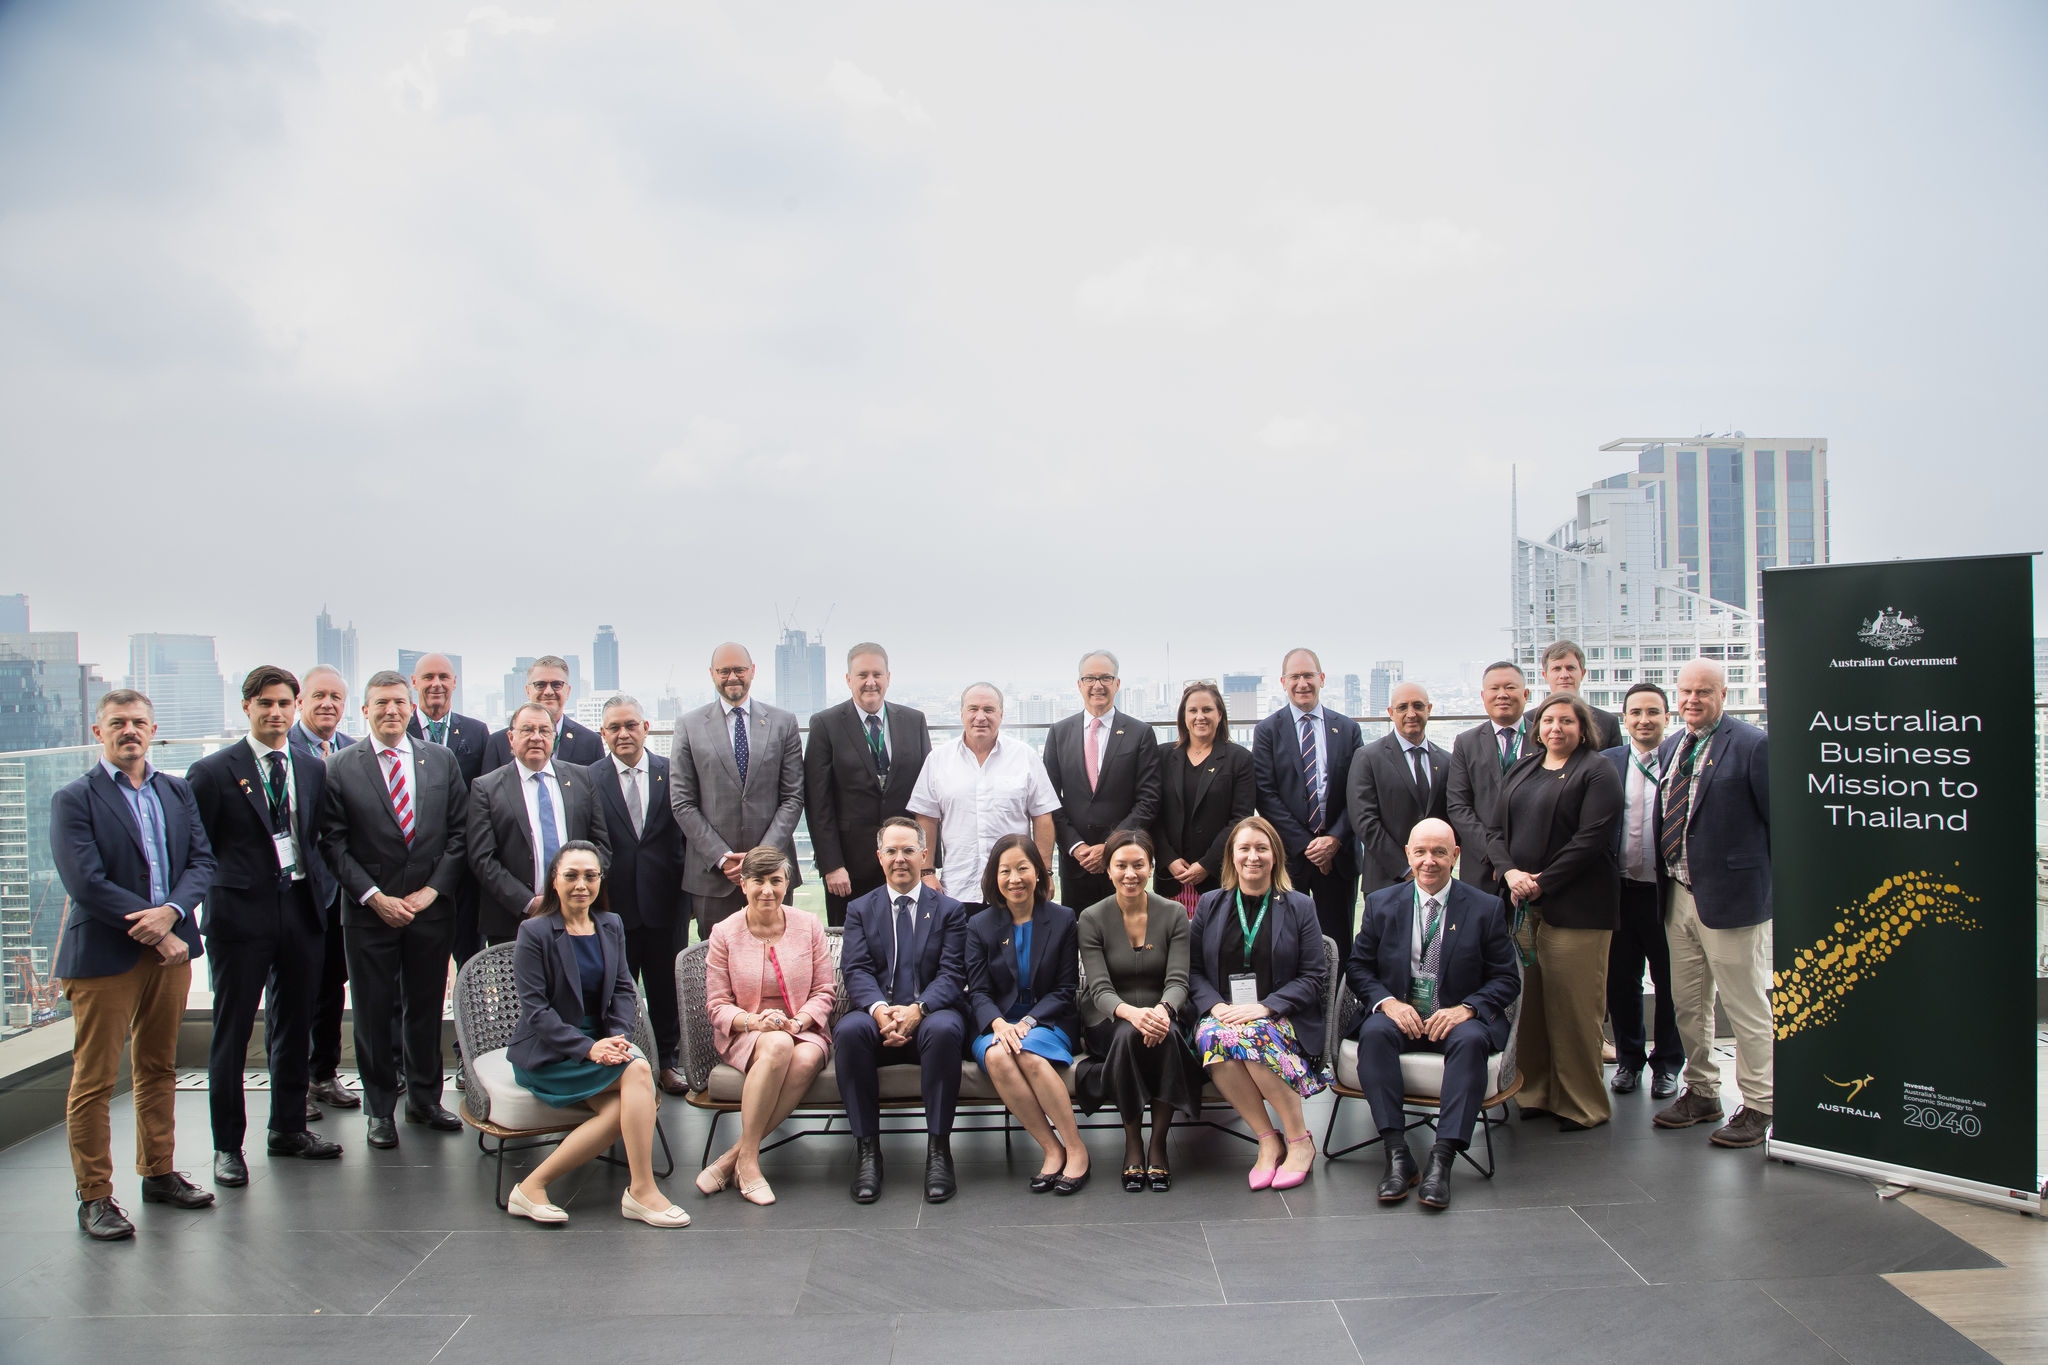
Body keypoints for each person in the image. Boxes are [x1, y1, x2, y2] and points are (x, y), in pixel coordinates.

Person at [51, 690, 219, 1239]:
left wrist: (171, 914)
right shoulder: (74, 798)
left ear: (153, 730)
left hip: (170, 951)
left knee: (158, 1067)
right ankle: (94, 1196)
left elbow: (201, 861)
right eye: (118, 722)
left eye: (139, 722)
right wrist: (150, 926)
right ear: (97, 730)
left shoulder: (176, 791)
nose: (130, 731)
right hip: (104, 955)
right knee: (94, 1080)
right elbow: (85, 882)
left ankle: (159, 1172)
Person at [185, 666, 343, 1188]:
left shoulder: (311, 766)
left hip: (300, 907)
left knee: (294, 1024)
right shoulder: (212, 772)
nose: (275, 712)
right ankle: (227, 1146)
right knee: (231, 1033)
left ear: (295, 707)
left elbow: (315, 838)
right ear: (247, 708)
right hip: (239, 915)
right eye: (264, 704)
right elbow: (197, 851)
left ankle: (288, 1128)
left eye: (283, 703)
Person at [318, 670, 470, 1149]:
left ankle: (425, 1100)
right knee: (372, 1011)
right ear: (364, 710)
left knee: (426, 1008)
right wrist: (374, 897)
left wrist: (432, 891)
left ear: (411, 708)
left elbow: (460, 832)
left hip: (429, 910)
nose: (391, 711)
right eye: (381, 703)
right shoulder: (341, 766)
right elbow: (332, 842)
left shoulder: (440, 760)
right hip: (368, 913)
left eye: (399, 703)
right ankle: (379, 1109)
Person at [504, 842, 689, 1227]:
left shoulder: (610, 924)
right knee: (639, 1071)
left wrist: (618, 1037)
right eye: (571, 875)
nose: (581, 885)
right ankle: (641, 1190)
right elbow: (536, 1012)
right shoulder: (534, 931)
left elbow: (624, 988)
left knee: (623, 1100)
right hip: (551, 1050)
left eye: (590, 875)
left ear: (600, 880)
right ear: (554, 881)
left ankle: (532, 1186)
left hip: (603, 1041)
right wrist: (590, 1049)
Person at [1347, 818, 1520, 1210]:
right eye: (1420, 851)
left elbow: (1507, 979)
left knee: (1473, 1039)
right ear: (1408, 854)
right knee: (1374, 1034)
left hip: (1456, 1017)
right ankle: (1397, 1155)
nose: (1429, 861)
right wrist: (1387, 1003)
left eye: (1439, 852)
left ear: (1455, 856)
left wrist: (1468, 1009)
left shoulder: (1485, 908)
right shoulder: (1380, 903)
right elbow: (1358, 967)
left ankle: (1442, 1158)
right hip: (1400, 1014)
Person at [1651, 659, 1774, 1149]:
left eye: (1703, 691)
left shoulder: (1752, 745)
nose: (1692, 700)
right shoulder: (1671, 747)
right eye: (1685, 692)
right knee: (1688, 1004)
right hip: (1679, 894)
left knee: (1745, 1007)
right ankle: (1702, 1091)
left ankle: (1762, 1103)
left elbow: (1777, 824)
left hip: (1734, 900)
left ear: (1724, 694)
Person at [1495, 691, 1623, 1132]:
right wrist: (1511, 874)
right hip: (1523, 904)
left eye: (1566, 721)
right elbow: (1495, 830)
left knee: (1574, 1009)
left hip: (1578, 910)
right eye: (1548, 720)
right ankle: (1535, 1091)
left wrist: (1539, 883)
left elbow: (1590, 841)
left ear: (1583, 728)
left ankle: (1581, 1103)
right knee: (1530, 1006)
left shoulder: (1598, 771)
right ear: (1537, 727)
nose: (1556, 728)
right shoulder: (1525, 766)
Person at [833, 816, 970, 1203]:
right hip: (879, 1015)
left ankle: (939, 1151)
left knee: (945, 1029)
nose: (900, 859)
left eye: (908, 850)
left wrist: (917, 1010)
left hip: (930, 1014)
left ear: (924, 855)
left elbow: (952, 973)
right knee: (848, 1031)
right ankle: (867, 1151)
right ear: (879, 857)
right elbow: (856, 969)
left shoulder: (950, 911)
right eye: (891, 851)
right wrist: (879, 1011)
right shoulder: (861, 908)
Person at [1190, 815, 1329, 1192]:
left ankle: (1299, 1140)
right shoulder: (1209, 904)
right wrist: (1214, 1006)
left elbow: (1314, 976)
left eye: (1261, 848)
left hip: (1283, 1016)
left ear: (1275, 856)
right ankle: (1268, 1139)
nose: (1253, 857)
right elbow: (1193, 970)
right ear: (1231, 857)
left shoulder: (1299, 906)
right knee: (1213, 1036)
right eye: (1245, 848)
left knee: (1251, 1036)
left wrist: (1266, 1006)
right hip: (1224, 1015)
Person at [698, 847, 835, 1205]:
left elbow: (824, 991)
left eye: (776, 881)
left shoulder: (808, 926)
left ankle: (737, 1157)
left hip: (802, 1027)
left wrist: (799, 1020)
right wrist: (754, 1021)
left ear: (787, 883)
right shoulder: (724, 933)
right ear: (743, 885)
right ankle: (747, 1162)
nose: (767, 890)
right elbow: (717, 1006)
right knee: (777, 1045)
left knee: (804, 1057)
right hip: (747, 1032)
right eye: (758, 881)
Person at [1076, 828, 1199, 1192]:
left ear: (1151, 867)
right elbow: (1098, 988)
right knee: (1131, 1034)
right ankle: (1133, 1141)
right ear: (1108, 870)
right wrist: (1132, 1013)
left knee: (1169, 1036)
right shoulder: (1091, 917)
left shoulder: (1175, 913)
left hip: (1163, 1012)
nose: (1130, 874)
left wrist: (1162, 1011)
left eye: (1139, 865)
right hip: (1109, 1017)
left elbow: (1178, 980)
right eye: (1121, 866)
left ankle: (1158, 1143)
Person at [965, 835, 1086, 1194]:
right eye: (1005, 871)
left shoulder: (1063, 919)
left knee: (1030, 1054)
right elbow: (979, 991)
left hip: (1048, 1019)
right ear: (994, 877)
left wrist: (1028, 1023)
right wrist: (1000, 1024)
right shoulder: (979, 925)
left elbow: (1065, 989)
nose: (1014, 878)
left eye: (1023, 868)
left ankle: (1077, 1149)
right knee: (998, 1055)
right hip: (997, 1022)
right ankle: (1051, 1149)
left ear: (1038, 873)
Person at [585, 695, 690, 1094]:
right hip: (612, 907)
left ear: (646, 727)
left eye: (631, 725)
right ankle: (621, 1066)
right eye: (614, 727)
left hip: (667, 902)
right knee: (613, 991)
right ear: (603, 734)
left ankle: (668, 1063)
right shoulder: (587, 778)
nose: (623, 733)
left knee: (666, 989)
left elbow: (687, 834)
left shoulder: (674, 771)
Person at [669, 642, 805, 936]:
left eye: (739, 670)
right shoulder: (689, 725)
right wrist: (721, 856)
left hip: (772, 872)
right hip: (714, 875)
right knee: (718, 967)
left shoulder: (783, 723)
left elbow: (793, 797)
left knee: (777, 959)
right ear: (712, 674)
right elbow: (682, 802)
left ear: (752, 671)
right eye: (724, 671)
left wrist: (760, 857)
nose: (733, 677)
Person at [803, 642, 931, 927]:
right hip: (848, 869)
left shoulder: (913, 721)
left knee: (910, 941)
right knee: (854, 947)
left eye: (877, 674)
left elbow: (927, 798)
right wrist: (832, 865)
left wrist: (928, 864)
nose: (870, 682)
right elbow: (817, 803)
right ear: (849, 679)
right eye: (862, 675)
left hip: (905, 862)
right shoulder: (826, 724)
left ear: (888, 677)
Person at [468, 702, 612, 946]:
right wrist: (528, 902)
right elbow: (482, 858)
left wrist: (580, 890)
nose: (536, 737)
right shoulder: (487, 787)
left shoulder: (582, 778)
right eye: (527, 730)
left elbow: (601, 846)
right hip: (514, 920)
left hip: (579, 915)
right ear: (511, 738)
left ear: (554, 738)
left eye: (544, 731)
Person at [1251, 648, 1364, 946]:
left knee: (1339, 942)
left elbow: (1359, 792)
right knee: (1287, 942)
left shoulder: (1348, 729)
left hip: (1339, 857)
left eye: (1309, 675)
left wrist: (1334, 840)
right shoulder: (1267, 731)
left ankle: (1338, 996)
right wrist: (1309, 846)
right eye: (1295, 676)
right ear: (1283, 682)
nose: (1302, 683)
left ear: (1322, 679)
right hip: (1291, 858)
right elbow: (1265, 795)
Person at [1605, 681, 1685, 1099]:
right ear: (1625, 719)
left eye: (1653, 712)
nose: (1644, 720)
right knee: (1621, 981)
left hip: (1666, 893)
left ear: (1667, 719)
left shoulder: (1681, 760)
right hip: (1619, 891)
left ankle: (1668, 1065)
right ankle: (1629, 1061)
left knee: (1671, 982)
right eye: (1635, 712)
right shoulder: (1608, 763)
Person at [906, 682, 1057, 902]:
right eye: (973, 709)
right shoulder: (938, 759)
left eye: (988, 710)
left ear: (1001, 715)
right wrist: (926, 872)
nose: (980, 717)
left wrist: (1045, 872)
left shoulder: (1024, 756)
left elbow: (1043, 816)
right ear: (961, 714)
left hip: (1015, 888)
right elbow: (926, 818)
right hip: (958, 888)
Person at [1041, 650, 1162, 910]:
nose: (1098, 685)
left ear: (1117, 683)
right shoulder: (1059, 733)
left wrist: (1110, 846)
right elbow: (1048, 799)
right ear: (1079, 685)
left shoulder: (1140, 733)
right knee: (1076, 937)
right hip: (1076, 862)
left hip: (1123, 862)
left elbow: (1149, 799)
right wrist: (1075, 845)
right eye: (1090, 678)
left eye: (1106, 678)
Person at [291, 664, 360, 1114]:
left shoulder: (353, 751)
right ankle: (291, 1084)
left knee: (332, 986)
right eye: (319, 696)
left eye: (336, 697)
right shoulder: (286, 749)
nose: (327, 705)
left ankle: (322, 1073)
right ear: (301, 701)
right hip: (297, 891)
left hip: (342, 892)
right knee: (297, 989)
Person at [407, 652, 488, 965]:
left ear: (455, 682)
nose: (436, 684)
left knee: (470, 957)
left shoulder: (476, 732)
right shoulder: (402, 729)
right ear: (415, 682)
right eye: (428, 677)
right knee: (418, 963)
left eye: (443, 677)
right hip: (415, 866)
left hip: (464, 866)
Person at [1151, 682, 1255, 915]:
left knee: (1217, 946)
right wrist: (1168, 859)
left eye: (1207, 710)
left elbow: (1240, 819)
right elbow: (1152, 814)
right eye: (1193, 710)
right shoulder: (1162, 756)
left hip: (1218, 877)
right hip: (1171, 877)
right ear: (1183, 716)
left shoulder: (1239, 759)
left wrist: (1207, 864)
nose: (1200, 717)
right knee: (1173, 947)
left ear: (1219, 714)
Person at [1348, 681, 1452, 897]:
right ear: (1390, 713)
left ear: (1429, 710)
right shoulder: (1368, 757)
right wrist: (1407, 868)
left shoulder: (1446, 760)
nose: (1411, 713)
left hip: (1436, 881)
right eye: (1402, 707)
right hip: (1386, 881)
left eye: (1418, 706)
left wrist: (1437, 864)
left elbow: (1453, 815)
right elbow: (1364, 821)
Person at [1444, 660, 1531, 892]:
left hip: (1532, 867)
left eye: (1510, 687)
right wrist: (1498, 856)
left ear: (1526, 693)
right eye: (1494, 689)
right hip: (1482, 868)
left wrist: (1520, 858)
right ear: (1483, 696)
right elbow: (1458, 807)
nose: (1502, 694)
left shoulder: (1544, 738)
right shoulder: (1466, 742)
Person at [481, 655, 604, 774]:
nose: (548, 691)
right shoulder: (499, 742)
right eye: (540, 685)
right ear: (528, 691)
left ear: (568, 691)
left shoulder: (590, 742)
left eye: (557, 685)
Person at [1527, 641, 1623, 751]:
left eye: (1570, 668)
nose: (1564, 675)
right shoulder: (1528, 721)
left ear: (1582, 673)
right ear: (1545, 675)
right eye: (1557, 669)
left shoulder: (1608, 723)